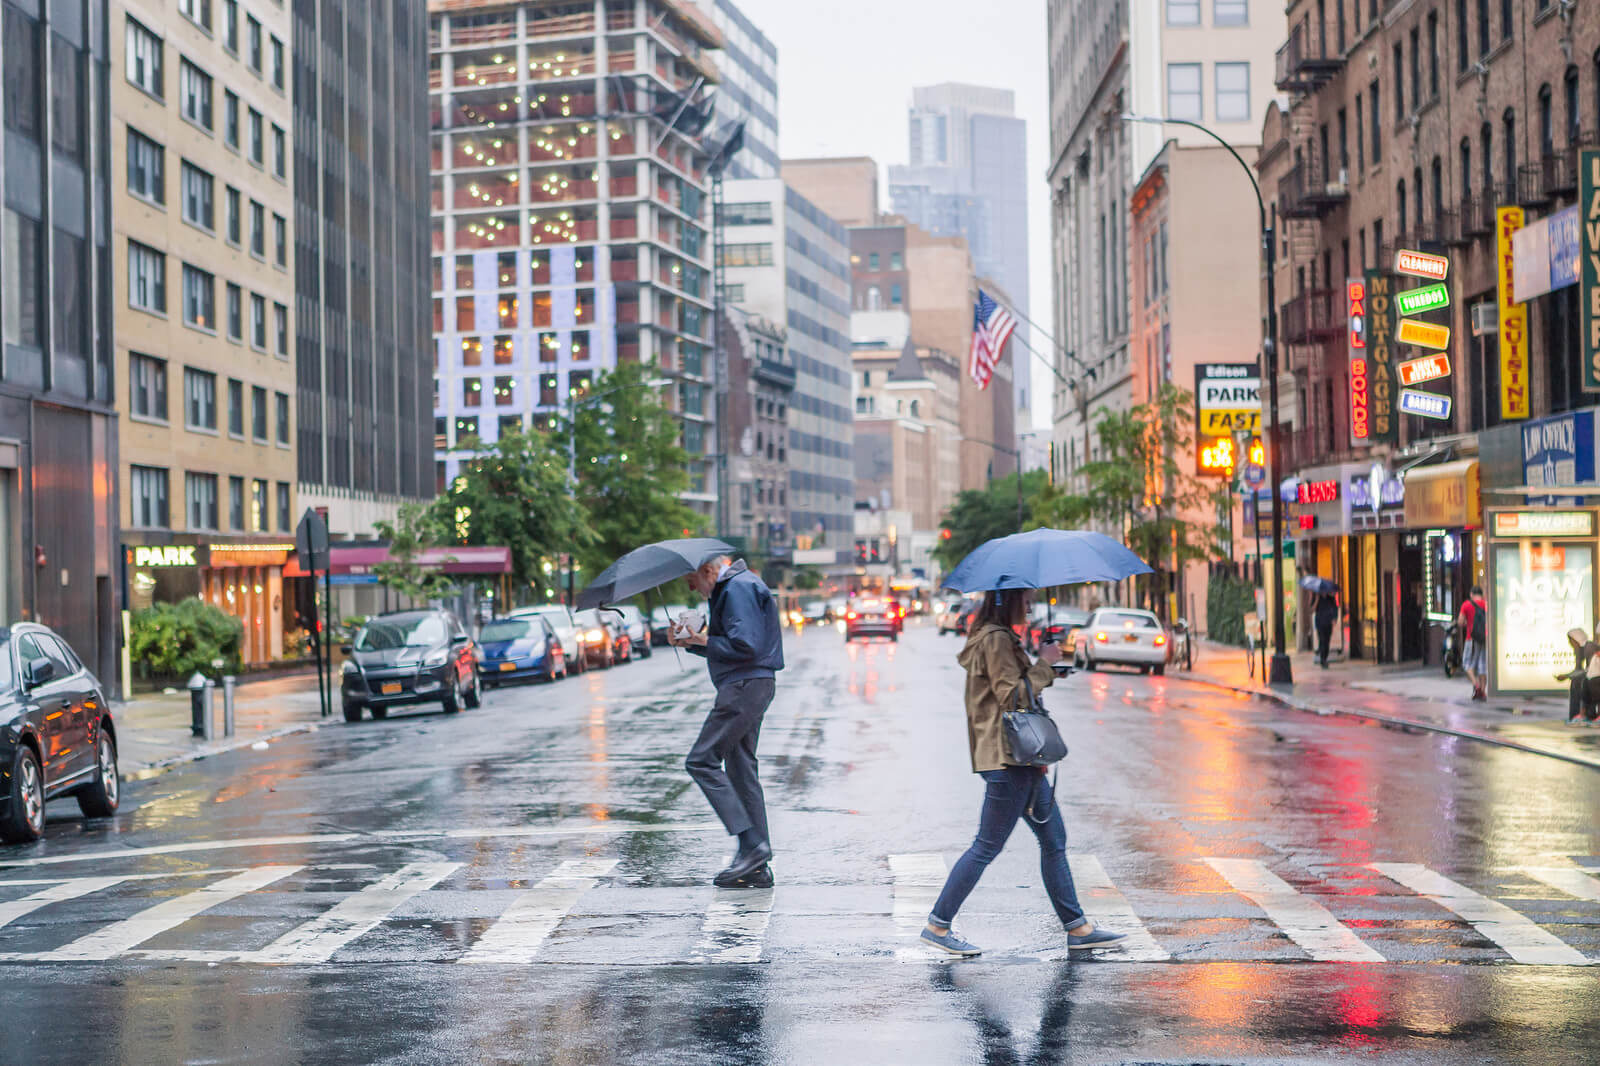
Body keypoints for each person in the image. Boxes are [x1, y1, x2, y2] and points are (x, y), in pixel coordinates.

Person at [919, 589, 1127, 957]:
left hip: (1020, 759)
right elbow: (1012, 697)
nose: (1030, 605)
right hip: (1007, 760)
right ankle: (938, 924)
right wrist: (1045, 663)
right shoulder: (997, 640)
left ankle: (1077, 927)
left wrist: (1045, 666)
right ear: (1008, 600)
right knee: (986, 846)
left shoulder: (1000, 637)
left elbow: (1021, 690)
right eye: (1025, 599)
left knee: (1054, 840)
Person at [670, 551, 785, 888]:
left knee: (701, 760)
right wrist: (692, 643)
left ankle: (752, 845)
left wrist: (699, 638)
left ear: (708, 570)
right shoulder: (737, 586)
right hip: (749, 684)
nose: (694, 590)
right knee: (740, 768)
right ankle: (757, 864)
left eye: (693, 582)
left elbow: (745, 645)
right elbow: (737, 645)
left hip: (744, 686)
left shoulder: (736, 588)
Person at [1555, 628, 1600, 726]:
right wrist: (1567, 676)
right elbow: (1579, 670)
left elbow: (1592, 669)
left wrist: (1570, 676)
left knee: (1584, 683)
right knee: (1577, 681)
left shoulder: (1589, 647)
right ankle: (1577, 715)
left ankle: (1584, 715)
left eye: (1570, 640)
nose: (1570, 643)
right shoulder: (1579, 650)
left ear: (1577, 639)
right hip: (1592, 675)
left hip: (1596, 676)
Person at [1457, 586, 1488, 701]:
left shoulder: (1466, 604)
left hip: (1472, 638)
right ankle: (1483, 692)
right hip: (1485, 638)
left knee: (1467, 664)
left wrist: (1467, 624)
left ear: (1471, 594)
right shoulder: (1486, 604)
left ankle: (1477, 686)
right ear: (1481, 594)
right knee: (1482, 665)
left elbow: (1460, 622)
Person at [1313, 592, 1338, 668]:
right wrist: (1316, 600)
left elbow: (1335, 608)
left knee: (1327, 641)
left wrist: (1334, 618)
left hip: (1328, 622)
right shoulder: (1316, 598)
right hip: (1320, 623)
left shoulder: (1330, 598)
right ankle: (1323, 660)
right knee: (1322, 640)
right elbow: (1312, 609)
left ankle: (1325, 658)